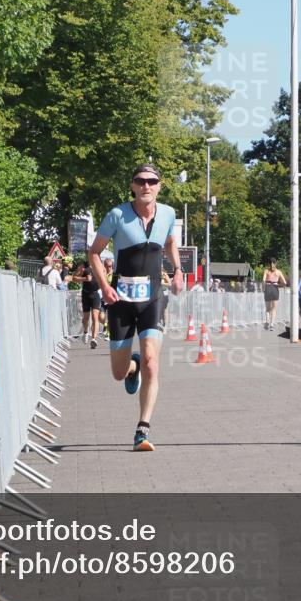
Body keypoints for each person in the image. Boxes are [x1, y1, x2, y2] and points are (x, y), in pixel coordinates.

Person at [88, 163, 184, 452]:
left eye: (152, 181)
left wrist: (178, 270)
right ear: (132, 185)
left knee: (153, 362)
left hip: (152, 297)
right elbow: (93, 252)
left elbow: (169, 243)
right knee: (118, 373)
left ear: (159, 185)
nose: (146, 186)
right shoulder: (117, 215)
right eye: (141, 181)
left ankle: (142, 429)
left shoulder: (167, 214)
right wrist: (105, 286)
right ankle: (132, 367)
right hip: (120, 300)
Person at [72, 262, 102, 348]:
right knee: (86, 318)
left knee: (95, 317)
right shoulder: (83, 266)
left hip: (96, 294)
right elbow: (73, 278)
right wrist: (85, 279)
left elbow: (104, 277)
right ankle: (85, 332)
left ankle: (94, 339)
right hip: (86, 294)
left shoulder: (99, 265)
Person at [262, 258, 287, 329]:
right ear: (276, 263)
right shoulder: (278, 272)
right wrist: (282, 285)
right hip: (275, 289)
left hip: (268, 288)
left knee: (267, 308)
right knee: (274, 308)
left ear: (268, 264)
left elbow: (263, 281)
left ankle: (267, 321)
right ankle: (272, 323)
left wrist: (263, 288)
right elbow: (284, 282)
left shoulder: (266, 271)